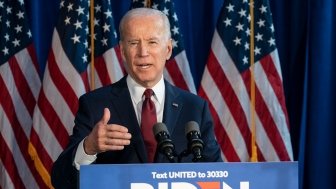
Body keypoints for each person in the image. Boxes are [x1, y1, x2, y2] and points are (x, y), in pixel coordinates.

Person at [51, 7, 222, 189]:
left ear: (168, 49)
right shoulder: (95, 105)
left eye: (152, 42)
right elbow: (61, 180)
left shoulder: (195, 108)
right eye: (134, 43)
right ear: (123, 51)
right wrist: (88, 148)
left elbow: (219, 176)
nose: (143, 52)